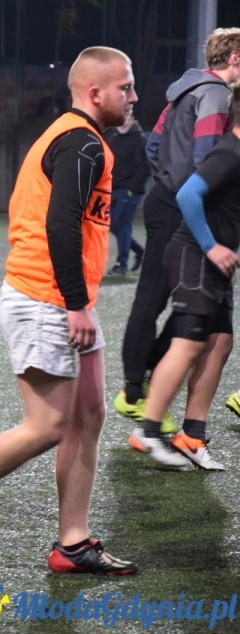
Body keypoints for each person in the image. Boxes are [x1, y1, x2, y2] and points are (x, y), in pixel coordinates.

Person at [0, 46, 140, 576]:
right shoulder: (81, 143)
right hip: (48, 299)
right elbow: (59, 226)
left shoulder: (78, 138)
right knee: (47, 424)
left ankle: (73, 544)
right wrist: (77, 304)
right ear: (95, 93)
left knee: (89, 416)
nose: (133, 96)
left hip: (56, 297)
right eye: (125, 87)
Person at [115, 28, 240, 436]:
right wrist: (189, 192)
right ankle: (140, 402)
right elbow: (208, 161)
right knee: (176, 309)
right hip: (186, 209)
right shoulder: (217, 96)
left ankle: (141, 389)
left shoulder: (185, 89)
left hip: (168, 200)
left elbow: (154, 145)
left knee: (174, 304)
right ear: (235, 58)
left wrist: (167, 181)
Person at [132, 84, 240, 471]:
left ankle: (192, 436)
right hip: (195, 256)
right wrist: (212, 246)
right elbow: (188, 195)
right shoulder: (230, 150)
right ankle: (148, 431)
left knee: (219, 342)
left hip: (214, 262)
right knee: (189, 343)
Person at [104, 110, 149, 276]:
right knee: (112, 224)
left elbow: (145, 167)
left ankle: (121, 264)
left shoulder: (139, 140)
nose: (124, 121)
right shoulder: (114, 140)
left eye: (127, 118)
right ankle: (139, 251)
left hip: (129, 191)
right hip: (112, 190)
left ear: (132, 119)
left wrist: (132, 189)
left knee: (122, 225)